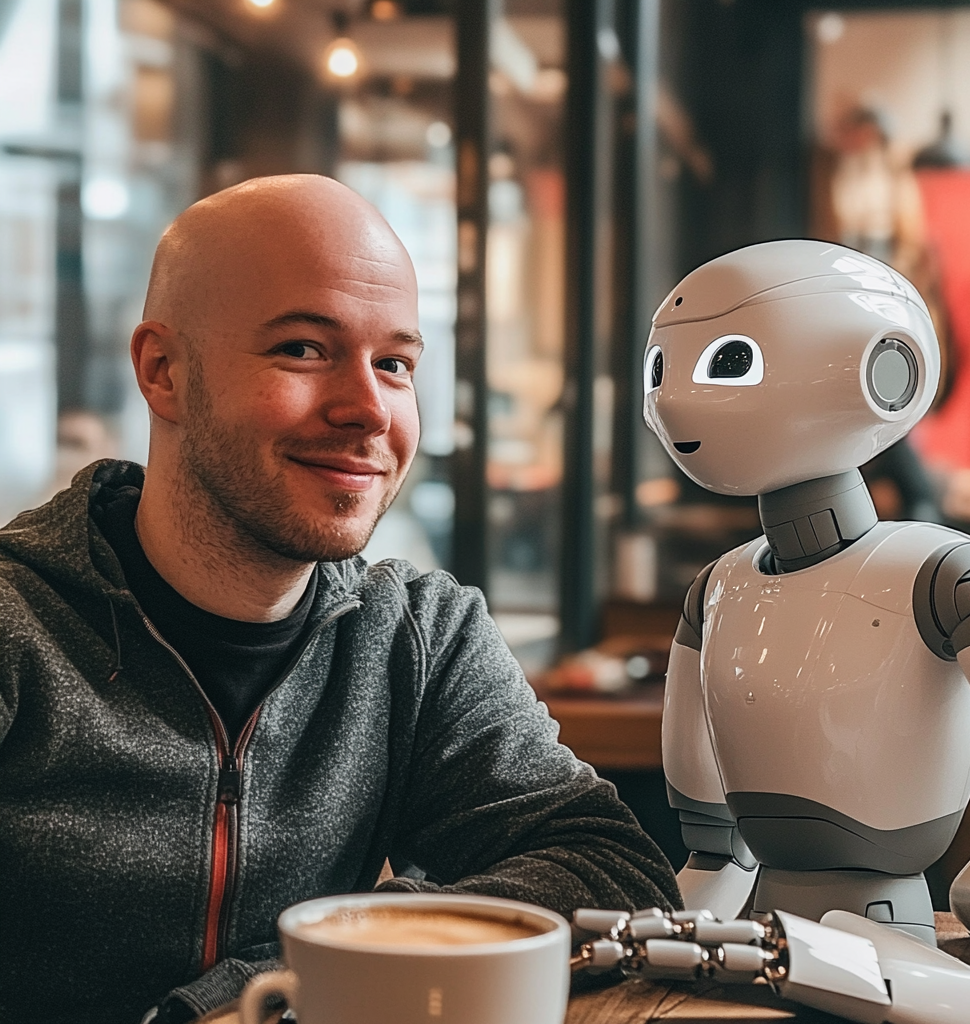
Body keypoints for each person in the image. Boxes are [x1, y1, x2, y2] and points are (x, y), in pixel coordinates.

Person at [0, 175, 680, 1024]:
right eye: (303, 350)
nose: (368, 409)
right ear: (163, 370)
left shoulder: (418, 637)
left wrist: (281, 985)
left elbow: (604, 863)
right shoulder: (16, 624)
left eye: (394, 364)